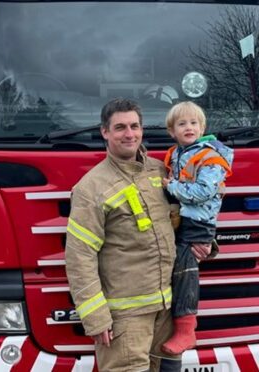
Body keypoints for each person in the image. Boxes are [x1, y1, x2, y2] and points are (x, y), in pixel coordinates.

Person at [65, 98, 193, 371]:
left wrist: (206, 242)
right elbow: (79, 257)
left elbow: (181, 220)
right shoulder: (91, 188)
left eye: (134, 126)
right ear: (105, 132)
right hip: (126, 320)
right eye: (120, 127)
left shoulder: (159, 170)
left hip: (167, 309)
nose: (129, 134)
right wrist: (96, 318)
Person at [161, 101, 234, 355]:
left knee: (185, 269)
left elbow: (203, 192)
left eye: (194, 123)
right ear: (172, 131)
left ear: (202, 127)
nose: (189, 127)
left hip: (199, 222)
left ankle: (186, 330)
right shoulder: (177, 153)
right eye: (182, 124)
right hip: (183, 219)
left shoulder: (211, 157)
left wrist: (171, 187)